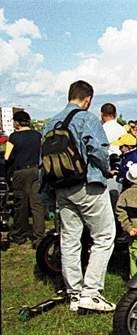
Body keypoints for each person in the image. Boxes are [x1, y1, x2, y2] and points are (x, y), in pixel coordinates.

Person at [43, 80, 116, 312]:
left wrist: (47, 196)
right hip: (88, 185)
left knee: (70, 240)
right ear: (88, 99)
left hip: (61, 187)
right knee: (104, 236)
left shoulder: (49, 123)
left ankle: (73, 293)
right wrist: (106, 170)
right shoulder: (88, 118)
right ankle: (91, 292)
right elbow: (98, 150)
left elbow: (41, 163)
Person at [4, 111, 45, 248]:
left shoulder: (13, 137)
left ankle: (19, 235)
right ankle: (39, 236)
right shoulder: (37, 135)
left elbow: (7, 157)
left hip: (20, 172)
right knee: (36, 204)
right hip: (35, 170)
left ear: (17, 122)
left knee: (20, 204)